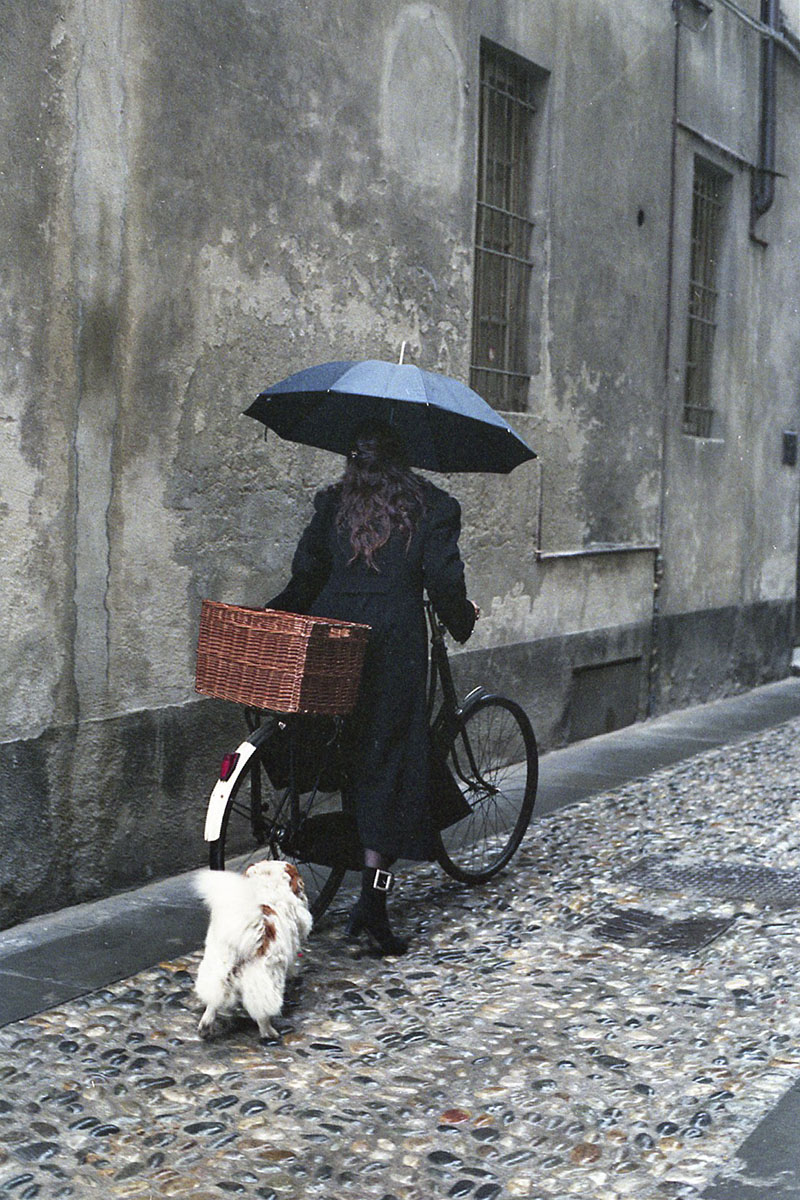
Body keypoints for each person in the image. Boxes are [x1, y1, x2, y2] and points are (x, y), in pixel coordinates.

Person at [267, 420, 478, 955]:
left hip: (332, 638)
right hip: (392, 644)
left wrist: (278, 618)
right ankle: (374, 907)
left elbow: (306, 576)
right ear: (403, 459)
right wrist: (461, 618)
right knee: (388, 761)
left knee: (340, 748)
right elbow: (444, 579)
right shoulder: (433, 505)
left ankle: (327, 841)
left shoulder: (332, 504)